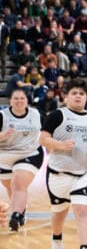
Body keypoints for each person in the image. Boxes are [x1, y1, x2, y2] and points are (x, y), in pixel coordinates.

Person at [39, 79, 87, 249]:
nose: (78, 96)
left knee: (82, 208)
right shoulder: (57, 115)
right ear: (66, 96)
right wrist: (60, 145)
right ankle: (56, 239)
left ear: (86, 97)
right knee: (59, 213)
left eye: (81, 93)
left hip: (85, 172)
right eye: (74, 93)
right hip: (59, 173)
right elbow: (43, 139)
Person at [0, 87, 43, 231]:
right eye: (15, 98)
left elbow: (48, 131)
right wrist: (3, 135)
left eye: (22, 98)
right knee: (9, 186)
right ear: (10, 101)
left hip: (29, 153)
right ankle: (22, 209)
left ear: (27, 100)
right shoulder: (3, 116)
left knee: (18, 184)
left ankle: (16, 215)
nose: (19, 101)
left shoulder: (36, 114)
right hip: (5, 154)